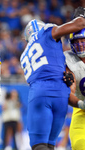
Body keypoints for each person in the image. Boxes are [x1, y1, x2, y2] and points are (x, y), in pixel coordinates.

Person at [20, 16, 85, 150]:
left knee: (41, 145)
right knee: (51, 146)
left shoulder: (24, 55)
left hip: (40, 92)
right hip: (61, 94)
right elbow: (79, 23)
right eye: (77, 42)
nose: (80, 45)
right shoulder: (48, 33)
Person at [64, 27, 85, 150]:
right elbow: (69, 92)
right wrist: (81, 104)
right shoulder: (69, 61)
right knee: (79, 144)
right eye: (77, 42)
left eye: (83, 41)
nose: (80, 45)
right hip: (81, 109)